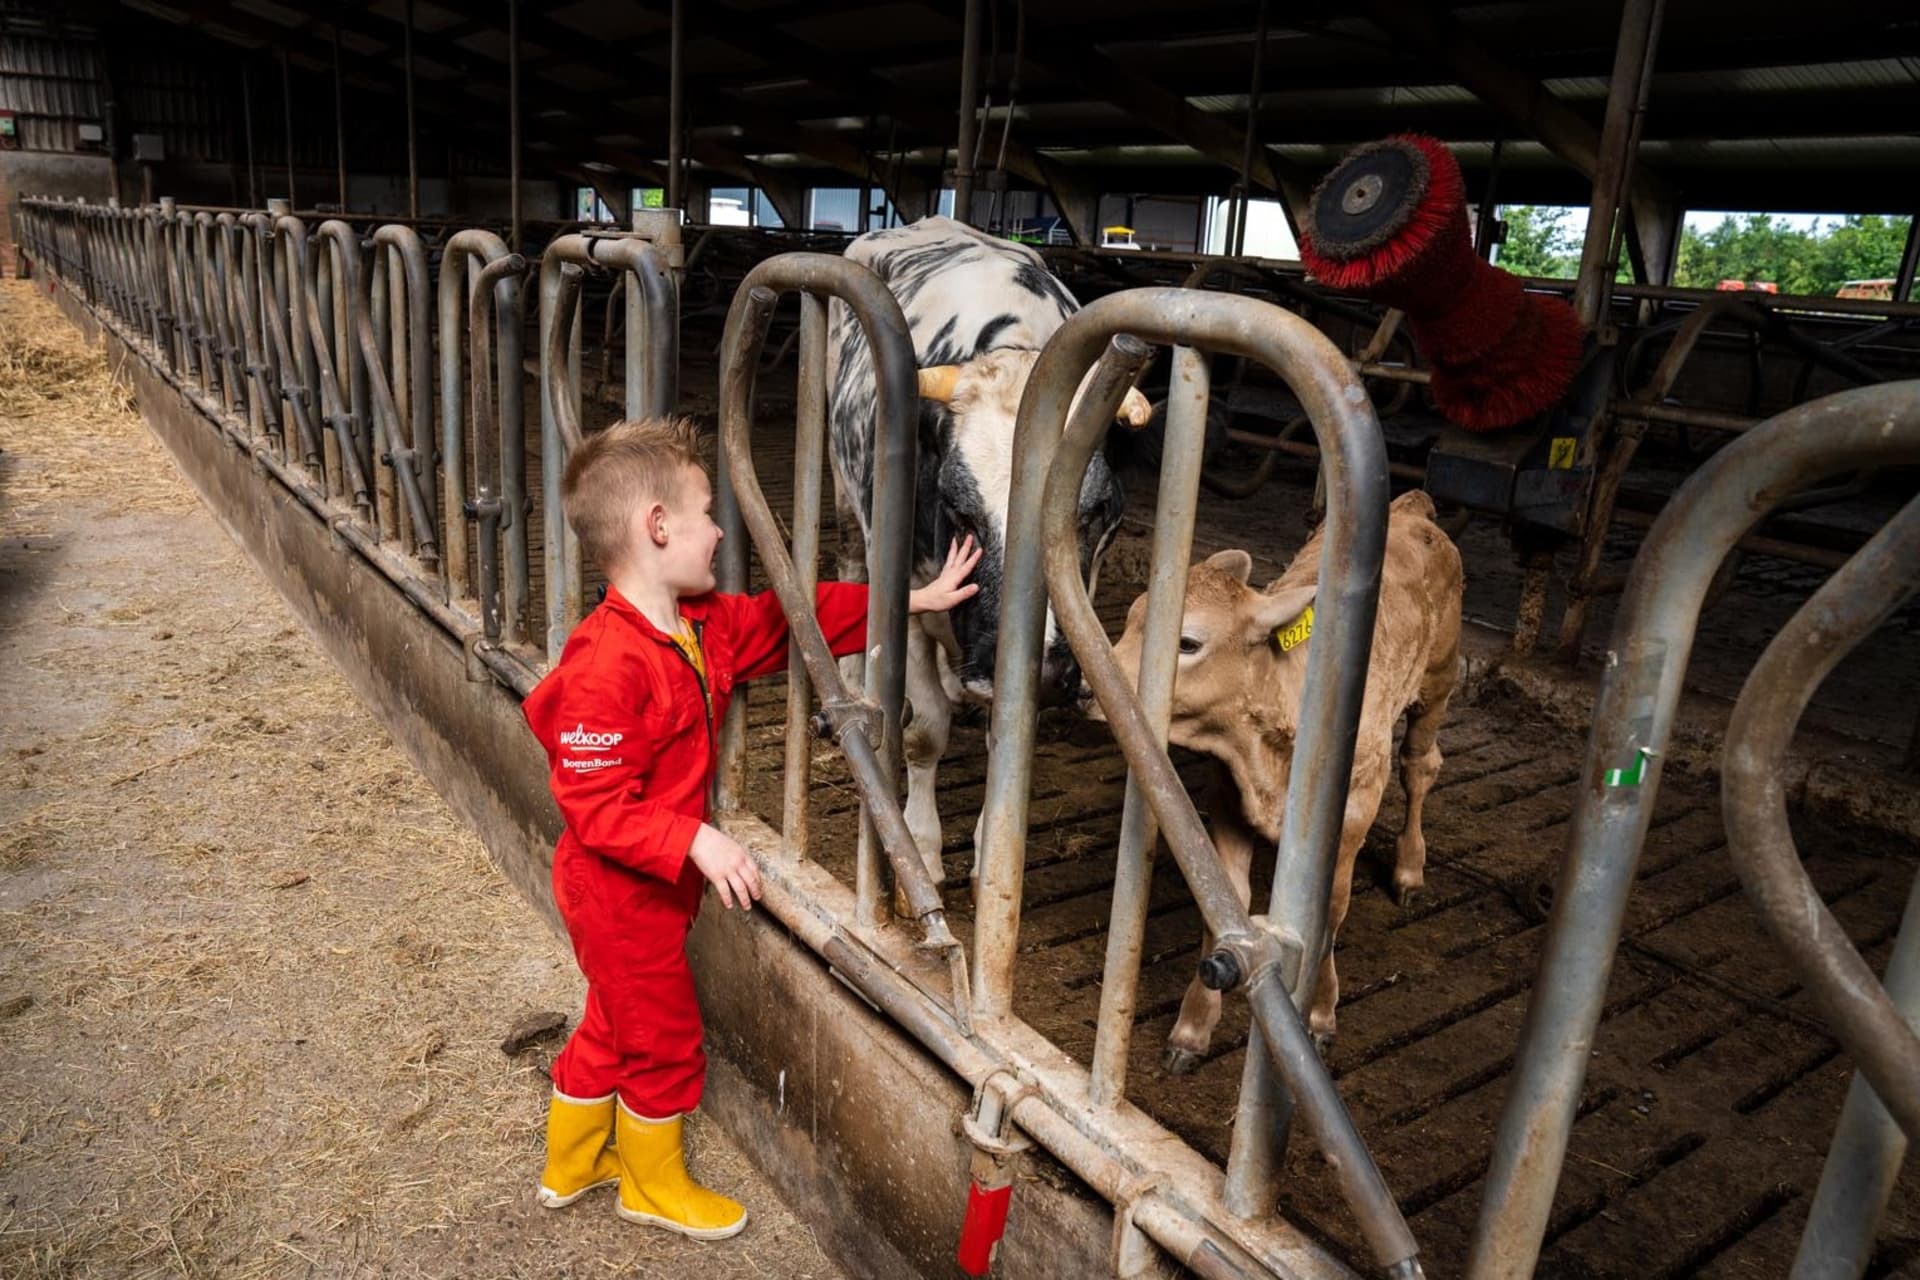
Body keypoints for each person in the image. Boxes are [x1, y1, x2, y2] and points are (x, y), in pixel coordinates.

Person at [521, 416, 980, 1239]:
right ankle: (651, 1187)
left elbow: (794, 619)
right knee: (661, 1040)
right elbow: (594, 806)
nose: (719, 530)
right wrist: (694, 837)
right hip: (618, 893)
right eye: (703, 513)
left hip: (649, 893)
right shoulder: (604, 665)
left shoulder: (700, 624)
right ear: (657, 527)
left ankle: (573, 1159)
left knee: (610, 1018)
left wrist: (910, 600)